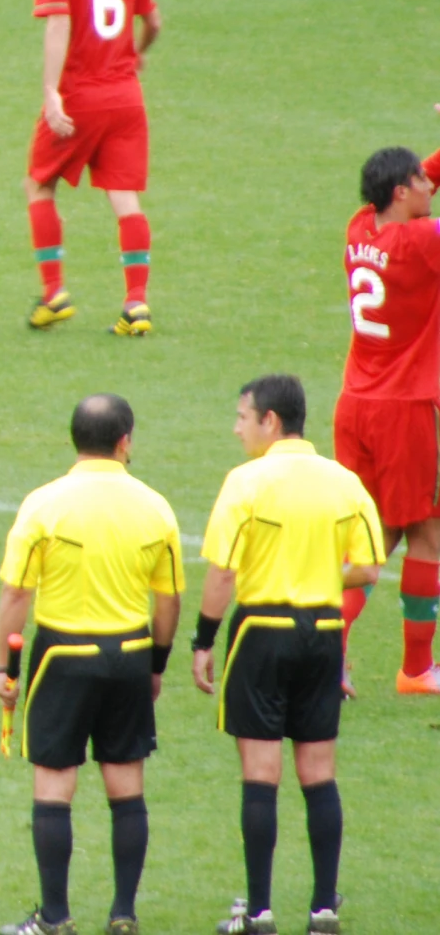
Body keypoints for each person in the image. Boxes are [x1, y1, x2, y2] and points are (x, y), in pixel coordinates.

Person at [191, 375, 383, 935]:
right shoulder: (344, 483)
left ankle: (259, 911)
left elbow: (223, 572)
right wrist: (323, 571)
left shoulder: (246, 482)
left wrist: (203, 641)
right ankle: (323, 906)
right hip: (323, 632)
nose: (236, 428)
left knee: (261, 774)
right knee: (319, 774)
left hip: (262, 632)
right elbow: (369, 569)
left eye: (242, 417)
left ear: (270, 421)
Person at [0, 393, 183, 935]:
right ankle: (123, 913)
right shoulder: (154, 507)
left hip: (62, 656)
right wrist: (156, 665)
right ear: (125, 441)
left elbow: (15, 594)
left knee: (54, 786)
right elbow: (167, 602)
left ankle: (55, 918)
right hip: (128, 654)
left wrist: (3, 669)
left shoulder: (44, 504)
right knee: (127, 787)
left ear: (75, 440)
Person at [25, 0, 160, 336]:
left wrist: (50, 92)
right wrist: (138, 52)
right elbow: (155, 21)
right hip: (126, 97)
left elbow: (58, 25)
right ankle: (136, 305)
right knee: (126, 199)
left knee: (39, 184)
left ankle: (54, 292)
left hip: (81, 95)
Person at [330, 144, 440, 694]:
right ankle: (417, 668)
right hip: (407, 410)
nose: (430, 185)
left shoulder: (359, 227)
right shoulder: (423, 240)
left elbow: (421, 179)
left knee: (372, 539)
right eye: (422, 181)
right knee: (428, 531)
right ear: (402, 191)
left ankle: (331, 652)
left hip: (356, 405)